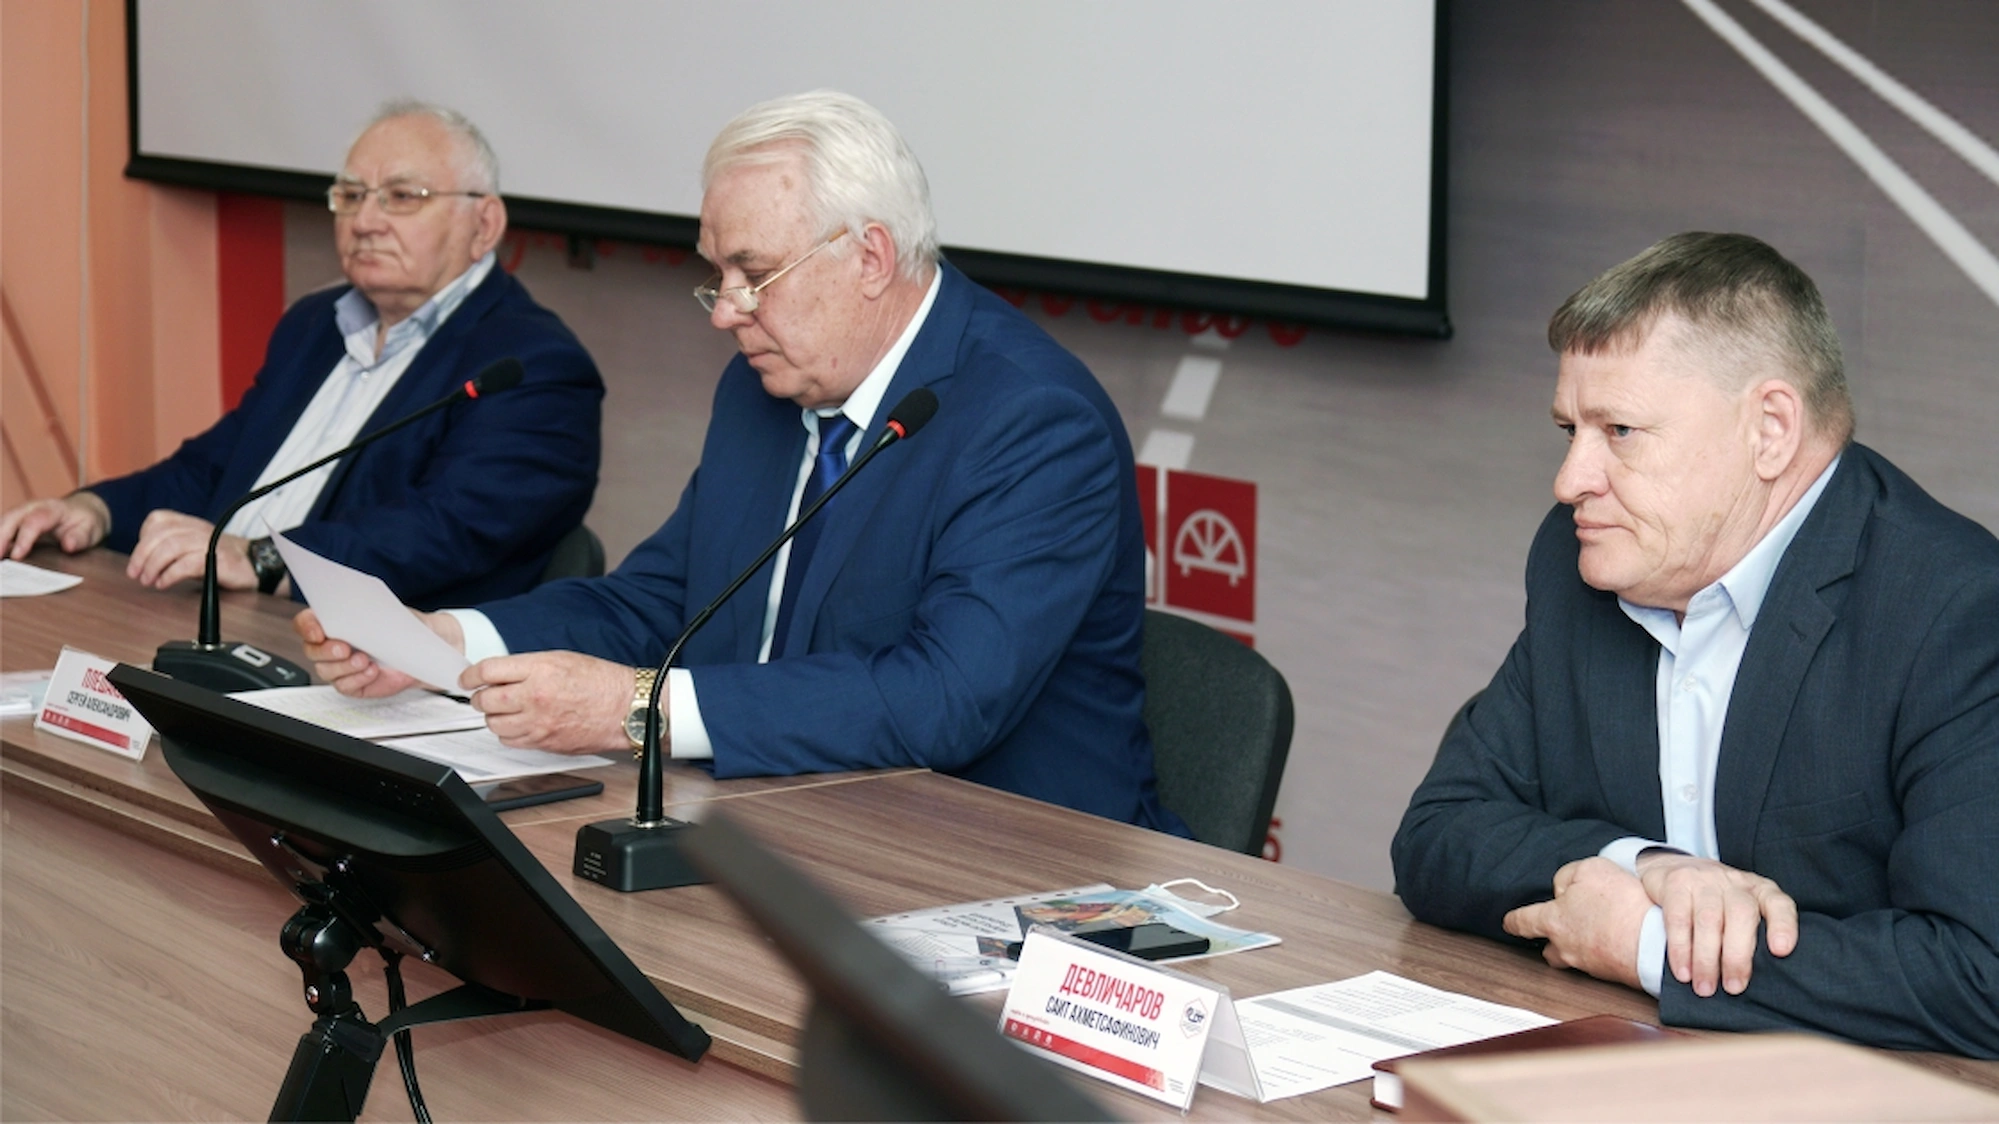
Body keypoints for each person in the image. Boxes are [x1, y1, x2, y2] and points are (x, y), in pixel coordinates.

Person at [299, 91, 1183, 831]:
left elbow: (944, 698)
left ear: (869, 257)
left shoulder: (1031, 419)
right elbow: (660, 601)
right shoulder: (766, 386)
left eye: (752, 274)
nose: (725, 312)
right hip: (791, 820)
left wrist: (636, 710)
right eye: (716, 274)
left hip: (1010, 861)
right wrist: (446, 644)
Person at [1391, 232, 1999, 1057]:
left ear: (1769, 430)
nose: (1569, 481)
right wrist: (1646, 866)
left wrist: (1644, 945)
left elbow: (1978, 974)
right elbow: (1438, 834)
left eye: (1619, 430)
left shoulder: (1954, 611)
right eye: (1569, 429)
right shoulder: (1583, 562)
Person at [0, 101, 603, 609]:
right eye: (351, 195)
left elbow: (444, 532)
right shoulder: (315, 324)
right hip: (218, 615)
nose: (365, 221)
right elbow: (215, 467)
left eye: (402, 197)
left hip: (371, 663)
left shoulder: (534, 366)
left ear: (484, 224)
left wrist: (261, 559)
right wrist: (95, 510)